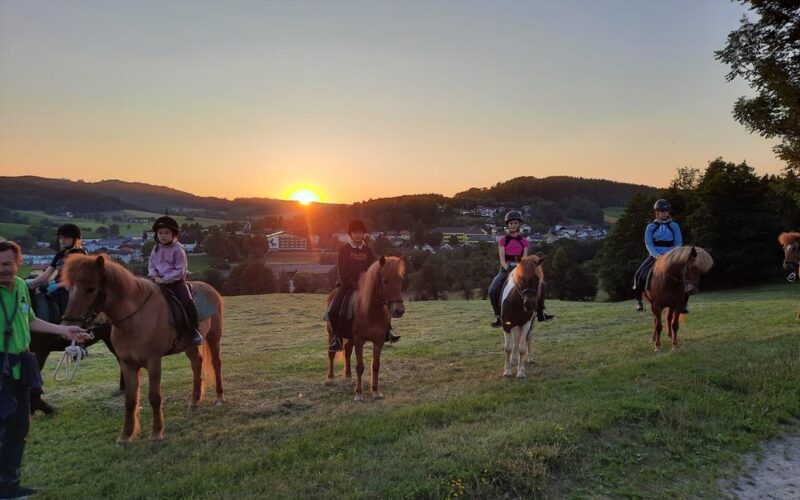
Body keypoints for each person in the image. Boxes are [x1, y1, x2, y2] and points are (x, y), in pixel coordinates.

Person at [0, 241, 88, 499]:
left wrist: (63, 329)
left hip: (22, 366)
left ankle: (9, 487)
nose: (1, 270)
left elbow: (30, 321)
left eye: (6, 264)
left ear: (18, 263)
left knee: (18, 428)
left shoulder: (20, 287)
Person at [326, 219, 400, 352]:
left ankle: (388, 331)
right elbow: (343, 272)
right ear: (350, 234)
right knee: (333, 310)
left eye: (360, 232)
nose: (358, 235)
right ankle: (336, 337)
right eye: (355, 232)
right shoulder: (344, 250)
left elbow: (373, 269)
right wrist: (356, 285)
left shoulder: (368, 250)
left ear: (363, 234)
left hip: (366, 287)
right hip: (347, 286)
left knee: (384, 303)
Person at [488, 210, 553, 327]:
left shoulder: (524, 241)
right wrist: (508, 268)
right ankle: (498, 316)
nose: (513, 225)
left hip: (521, 268)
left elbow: (524, 258)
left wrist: (519, 268)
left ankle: (540, 312)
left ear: (519, 225)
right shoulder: (502, 240)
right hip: (505, 269)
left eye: (516, 223)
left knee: (542, 284)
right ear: (508, 224)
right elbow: (502, 259)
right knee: (492, 289)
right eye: (511, 223)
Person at [148, 216, 202, 346]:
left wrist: (165, 279)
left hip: (175, 282)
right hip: (156, 281)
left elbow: (180, 270)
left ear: (173, 234)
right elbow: (151, 266)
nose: (163, 236)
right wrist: (154, 277)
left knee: (187, 302)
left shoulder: (178, 249)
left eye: (167, 233)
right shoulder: (155, 249)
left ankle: (194, 330)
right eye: (160, 233)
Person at [632, 198, 684, 311]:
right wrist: (657, 255)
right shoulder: (651, 227)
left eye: (666, 211)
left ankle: (683, 302)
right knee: (638, 274)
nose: (665, 213)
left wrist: (672, 255)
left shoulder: (674, 225)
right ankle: (639, 301)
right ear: (657, 212)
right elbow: (649, 243)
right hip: (656, 256)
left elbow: (678, 242)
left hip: (671, 257)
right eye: (662, 211)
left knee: (685, 274)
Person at [26, 223, 87, 317]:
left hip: (70, 289)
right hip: (56, 285)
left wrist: (57, 285)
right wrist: (29, 284)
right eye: (61, 238)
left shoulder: (80, 255)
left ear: (75, 238)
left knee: (63, 303)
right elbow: (47, 274)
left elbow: (76, 280)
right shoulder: (59, 255)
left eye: (66, 238)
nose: (62, 240)